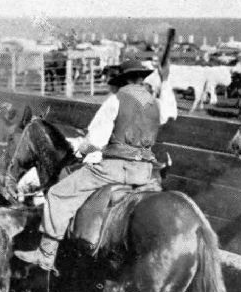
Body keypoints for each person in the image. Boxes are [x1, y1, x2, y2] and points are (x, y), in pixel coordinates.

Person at [14, 59, 176, 272]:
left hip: (115, 170)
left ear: (124, 79)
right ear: (141, 79)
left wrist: (81, 150)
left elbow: (95, 142)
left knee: (57, 194)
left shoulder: (116, 100)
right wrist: (165, 82)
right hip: (145, 172)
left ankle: (46, 253)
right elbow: (171, 112)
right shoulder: (157, 104)